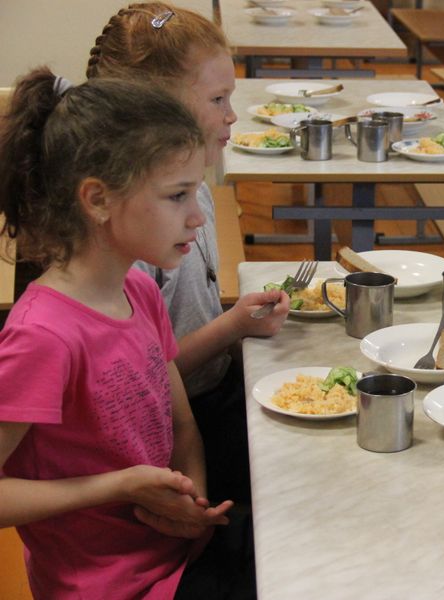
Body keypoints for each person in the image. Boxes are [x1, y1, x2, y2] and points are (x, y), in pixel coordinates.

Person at [0, 69, 252, 599]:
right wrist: (118, 486)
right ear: (97, 200)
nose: (196, 218)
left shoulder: (138, 291)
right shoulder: (44, 336)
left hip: (176, 555)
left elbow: (183, 428)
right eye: (177, 196)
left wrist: (196, 513)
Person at [87, 2, 291, 503]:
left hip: (203, 405)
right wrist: (233, 328)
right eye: (218, 98)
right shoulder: (135, 236)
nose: (231, 115)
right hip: (163, 435)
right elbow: (143, 382)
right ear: (157, 107)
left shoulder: (190, 190)